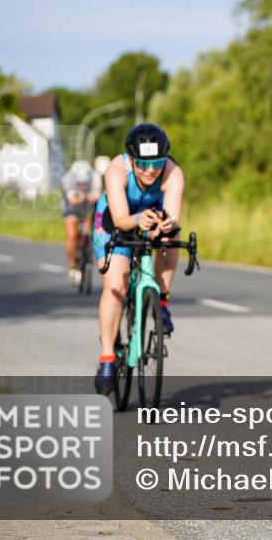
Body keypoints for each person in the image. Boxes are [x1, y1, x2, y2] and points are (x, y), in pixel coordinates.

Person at [92, 123, 185, 394]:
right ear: (131, 160)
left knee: (170, 239)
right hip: (114, 219)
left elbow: (172, 216)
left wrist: (166, 226)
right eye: (142, 164)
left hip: (151, 214)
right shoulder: (116, 169)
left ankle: (162, 301)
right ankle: (108, 357)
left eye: (156, 162)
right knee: (115, 286)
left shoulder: (173, 173)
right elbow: (121, 219)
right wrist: (136, 220)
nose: (150, 171)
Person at [61, 159, 102, 285]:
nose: (83, 185)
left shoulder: (95, 177)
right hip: (71, 207)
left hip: (88, 205)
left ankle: (91, 251)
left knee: (99, 228)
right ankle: (72, 267)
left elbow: (97, 196)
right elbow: (72, 200)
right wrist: (84, 197)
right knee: (72, 234)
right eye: (80, 184)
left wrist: (89, 197)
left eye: (85, 183)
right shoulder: (68, 179)